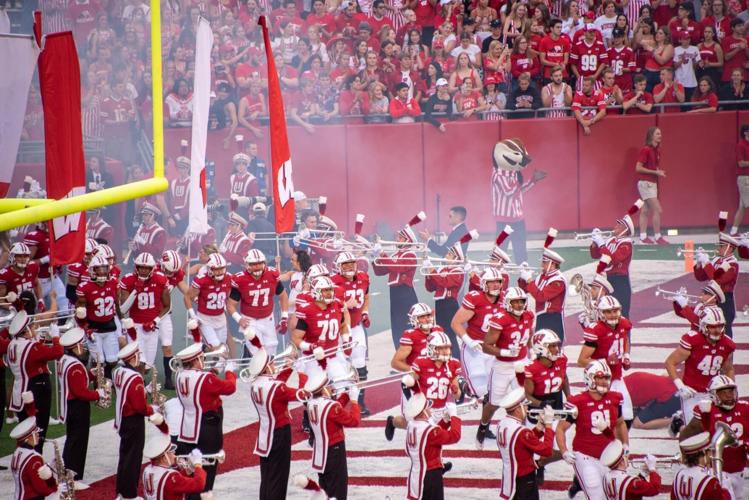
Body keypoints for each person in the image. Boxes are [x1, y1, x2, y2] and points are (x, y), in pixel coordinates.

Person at [556, 360, 629, 499]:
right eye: (600, 377)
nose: (604, 381)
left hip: (610, 456)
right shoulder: (577, 401)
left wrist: (625, 444)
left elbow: (620, 424)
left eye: (606, 378)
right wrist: (564, 451)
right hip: (585, 456)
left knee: (612, 495)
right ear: (589, 378)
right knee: (596, 495)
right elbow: (561, 428)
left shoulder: (615, 397)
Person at [174, 343, 237, 499]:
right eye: (201, 358)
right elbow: (230, 388)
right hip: (207, 428)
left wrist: (214, 370)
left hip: (187, 429)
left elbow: (204, 387)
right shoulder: (205, 378)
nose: (203, 359)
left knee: (191, 473)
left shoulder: (179, 375)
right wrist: (230, 371)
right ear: (195, 360)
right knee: (206, 474)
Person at [477, 287, 534, 447]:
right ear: (508, 303)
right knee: (494, 403)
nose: (518, 305)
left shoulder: (529, 315)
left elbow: (528, 336)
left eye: (521, 301)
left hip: (521, 364)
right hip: (502, 365)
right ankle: (483, 427)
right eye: (514, 302)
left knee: (523, 401)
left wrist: (532, 352)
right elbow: (486, 346)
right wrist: (505, 351)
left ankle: (523, 435)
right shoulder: (500, 319)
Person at [248, 349, 307, 500]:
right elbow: (302, 394)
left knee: (267, 478)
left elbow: (276, 385)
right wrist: (302, 373)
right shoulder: (276, 388)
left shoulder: (255, 384)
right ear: (266, 368)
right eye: (272, 363)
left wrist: (289, 366)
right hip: (279, 434)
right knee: (279, 479)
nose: (274, 365)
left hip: (264, 434)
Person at [679, 375, 748, 498]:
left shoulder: (745, 407)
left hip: (740, 469)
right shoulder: (706, 409)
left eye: (731, 391)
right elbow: (687, 434)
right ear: (713, 395)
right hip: (717, 469)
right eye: (723, 392)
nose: (729, 395)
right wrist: (686, 456)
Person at [665, 306, 735, 424]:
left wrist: (729, 389)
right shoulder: (693, 340)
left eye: (720, 326)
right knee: (694, 429)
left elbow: (728, 369)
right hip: (693, 393)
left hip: (714, 393)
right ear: (703, 326)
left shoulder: (727, 344)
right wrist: (681, 386)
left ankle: (680, 419)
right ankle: (680, 421)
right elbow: (670, 363)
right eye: (712, 326)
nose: (717, 330)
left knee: (716, 427)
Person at [113, 342, 164, 500]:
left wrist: (145, 389)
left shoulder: (118, 371)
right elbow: (139, 406)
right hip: (133, 421)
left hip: (123, 419)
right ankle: (129, 494)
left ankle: (121, 491)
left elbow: (127, 394)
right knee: (133, 458)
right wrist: (153, 409)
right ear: (133, 357)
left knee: (124, 455)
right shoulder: (135, 377)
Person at [57, 327, 108, 483]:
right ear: (76, 346)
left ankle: (68, 474)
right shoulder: (75, 366)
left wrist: (92, 374)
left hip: (70, 405)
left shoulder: (64, 360)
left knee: (73, 441)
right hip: (77, 406)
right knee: (78, 442)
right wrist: (98, 394)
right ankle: (75, 477)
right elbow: (80, 392)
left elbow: (78, 381)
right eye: (82, 345)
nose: (84, 349)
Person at [451, 268, 504, 407]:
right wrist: (469, 341)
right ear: (483, 284)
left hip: (494, 347)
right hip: (475, 347)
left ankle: (466, 388)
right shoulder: (475, 298)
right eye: (491, 282)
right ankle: (464, 387)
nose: (496, 285)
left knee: (497, 388)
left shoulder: (505, 299)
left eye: (498, 281)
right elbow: (455, 323)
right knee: (481, 391)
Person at [304, 371, 361, 500]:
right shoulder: (331, 406)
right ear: (324, 389)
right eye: (329, 386)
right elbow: (354, 421)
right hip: (334, 451)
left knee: (326, 492)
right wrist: (355, 401)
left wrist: (347, 394)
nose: (332, 388)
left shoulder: (311, 403)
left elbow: (335, 409)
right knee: (338, 491)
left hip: (320, 453)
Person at [577, 296, 634, 425]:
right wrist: (604, 362)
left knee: (627, 416)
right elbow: (581, 361)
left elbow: (624, 338)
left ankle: (620, 443)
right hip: (600, 380)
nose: (613, 315)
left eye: (615, 311)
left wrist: (626, 355)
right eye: (608, 311)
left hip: (617, 377)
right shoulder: (597, 330)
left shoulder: (623, 323)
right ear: (601, 313)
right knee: (609, 419)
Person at [372, 212, 424, 349]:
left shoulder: (410, 255)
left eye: (400, 237)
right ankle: (399, 356)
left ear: (407, 241)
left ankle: (411, 356)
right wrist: (376, 257)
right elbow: (380, 271)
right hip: (394, 293)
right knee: (396, 326)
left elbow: (397, 267)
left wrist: (383, 254)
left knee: (406, 325)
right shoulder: (396, 254)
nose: (396, 238)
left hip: (405, 293)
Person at [330, 251, 371, 413]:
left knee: (360, 364)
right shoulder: (333, 282)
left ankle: (360, 402)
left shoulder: (363, 278)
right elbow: (327, 307)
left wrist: (365, 312)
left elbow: (366, 296)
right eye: (345, 264)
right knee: (339, 365)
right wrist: (346, 304)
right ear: (338, 267)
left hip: (356, 326)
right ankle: (336, 401)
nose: (349, 267)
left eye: (351, 263)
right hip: (338, 331)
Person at [497, 388, 555, 499]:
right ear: (518, 410)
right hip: (525, 479)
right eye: (525, 406)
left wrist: (539, 428)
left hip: (511, 475)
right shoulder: (522, 431)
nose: (527, 408)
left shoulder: (502, 423)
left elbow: (521, 443)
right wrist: (548, 426)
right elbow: (547, 450)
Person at [589, 200, 643, 317]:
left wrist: (601, 243)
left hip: (620, 281)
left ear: (625, 229)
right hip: (607, 279)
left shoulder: (626, 244)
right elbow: (596, 255)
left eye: (619, 225)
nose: (615, 227)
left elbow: (612, 259)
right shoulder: (611, 240)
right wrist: (595, 243)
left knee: (621, 315)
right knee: (606, 313)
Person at [404, 392, 461, 500]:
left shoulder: (411, 425)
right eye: (428, 408)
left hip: (416, 474)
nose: (431, 409)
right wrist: (454, 416)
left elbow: (432, 437)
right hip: (431, 476)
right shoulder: (430, 431)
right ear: (423, 412)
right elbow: (454, 436)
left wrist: (445, 422)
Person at [119, 252, 171, 367]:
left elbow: (167, 306)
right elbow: (123, 309)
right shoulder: (128, 280)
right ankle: (134, 381)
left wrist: (155, 321)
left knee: (148, 365)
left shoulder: (160, 279)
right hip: (136, 325)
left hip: (152, 326)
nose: (143, 270)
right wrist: (136, 290)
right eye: (141, 267)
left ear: (152, 268)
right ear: (136, 267)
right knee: (138, 362)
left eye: (147, 268)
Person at [76, 253, 122, 379]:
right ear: (92, 270)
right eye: (99, 268)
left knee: (113, 360)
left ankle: (105, 377)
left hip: (110, 326)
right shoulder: (85, 287)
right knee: (98, 363)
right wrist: (84, 326)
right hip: (94, 328)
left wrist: (122, 319)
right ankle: (98, 386)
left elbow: (117, 304)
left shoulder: (113, 282)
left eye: (105, 268)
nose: (102, 272)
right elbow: (79, 310)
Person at [693, 213, 739, 338]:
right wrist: (699, 263)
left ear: (730, 248)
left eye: (722, 246)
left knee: (725, 333)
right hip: (712, 299)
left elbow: (718, 280)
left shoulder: (733, 264)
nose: (719, 248)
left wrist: (707, 262)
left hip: (725, 300)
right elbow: (701, 277)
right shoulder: (717, 260)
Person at [518, 229, 567, 339]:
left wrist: (529, 280)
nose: (541, 264)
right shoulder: (542, 276)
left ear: (552, 264)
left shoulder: (558, 281)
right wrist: (523, 278)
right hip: (541, 316)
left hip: (553, 318)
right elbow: (525, 290)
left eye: (544, 262)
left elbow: (541, 297)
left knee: (552, 348)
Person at [142, 432, 207, 500]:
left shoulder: (147, 469)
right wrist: (198, 465)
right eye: (171, 451)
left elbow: (169, 484)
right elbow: (199, 485)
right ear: (164, 458)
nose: (174, 453)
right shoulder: (171, 477)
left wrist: (188, 470)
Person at [671, 432, 733, 499]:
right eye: (709, 451)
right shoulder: (710, 481)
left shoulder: (678, 475)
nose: (711, 454)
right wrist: (725, 485)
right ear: (704, 452)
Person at [9, 414, 58, 499]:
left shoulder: (17, 452)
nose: (38, 435)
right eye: (35, 434)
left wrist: (49, 466)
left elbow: (28, 472)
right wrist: (56, 489)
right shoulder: (34, 458)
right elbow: (41, 489)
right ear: (27, 439)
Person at [634, 126, 667, 245]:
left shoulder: (657, 151)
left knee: (645, 210)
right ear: (651, 136)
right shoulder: (646, 150)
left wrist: (658, 171)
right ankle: (657, 236)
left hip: (652, 184)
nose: (660, 136)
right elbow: (638, 168)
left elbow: (653, 167)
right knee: (658, 209)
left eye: (660, 134)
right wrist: (655, 172)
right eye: (658, 134)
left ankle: (643, 237)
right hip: (645, 184)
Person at [0, 243, 42, 313]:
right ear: (12, 257)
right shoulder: (5, 275)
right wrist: (11, 307)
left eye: (25, 256)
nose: (23, 259)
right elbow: (1, 299)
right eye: (19, 256)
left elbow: (36, 284)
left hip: (29, 306)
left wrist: (40, 300)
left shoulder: (33, 267)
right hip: (11, 311)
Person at [732, 125, 749, 234]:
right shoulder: (741, 145)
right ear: (746, 132)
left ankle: (733, 231)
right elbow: (741, 163)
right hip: (745, 179)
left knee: (742, 207)